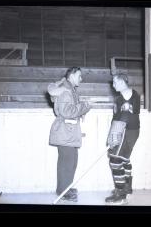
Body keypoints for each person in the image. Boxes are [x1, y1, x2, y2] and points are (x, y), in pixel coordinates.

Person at [48, 67, 91, 202]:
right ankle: (63, 191)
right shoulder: (66, 90)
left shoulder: (69, 88)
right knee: (67, 163)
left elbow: (70, 109)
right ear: (72, 76)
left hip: (68, 132)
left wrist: (81, 110)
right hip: (65, 132)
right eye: (79, 76)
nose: (81, 79)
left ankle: (65, 187)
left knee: (71, 162)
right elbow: (67, 112)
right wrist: (85, 106)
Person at [105, 73, 140, 204]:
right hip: (121, 130)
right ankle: (126, 188)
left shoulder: (135, 94)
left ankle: (120, 195)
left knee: (115, 160)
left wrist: (128, 107)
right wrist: (110, 135)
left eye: (114, 82)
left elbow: (136, 111)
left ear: (121, 82)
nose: (113, 85)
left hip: (129, 131)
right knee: (124, 159)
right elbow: (115, 118)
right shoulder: (118, 99)